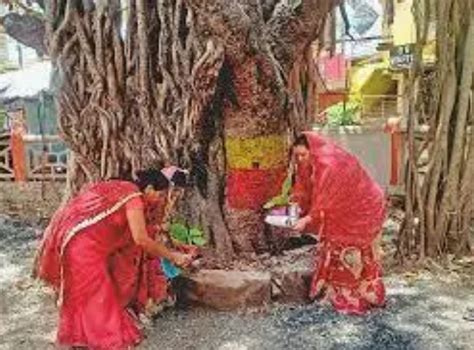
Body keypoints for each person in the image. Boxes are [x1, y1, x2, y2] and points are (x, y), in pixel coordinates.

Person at [34, 168, 194, 349]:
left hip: (80, 241)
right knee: (96, 297)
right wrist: (173, 256)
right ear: (149, 188)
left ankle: (79, 338)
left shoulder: (124, 189)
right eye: (160, 194)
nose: (160, 199)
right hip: (83, 247)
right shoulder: (133, 199)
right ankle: (97, 340)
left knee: (86, 296)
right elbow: (140, 239)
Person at [290, 132, 386, 315]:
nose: (300, 159)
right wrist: (295, 208)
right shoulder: (312, 165)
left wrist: (306, 220)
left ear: (314, 152)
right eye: (297, 155)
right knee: (335, 246)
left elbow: (325, 200)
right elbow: (306, 191)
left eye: (304, 154)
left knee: (350, 249)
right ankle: (337, 293)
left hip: (363, 208)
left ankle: (358, 297)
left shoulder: (330, 165)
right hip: (343, 210)